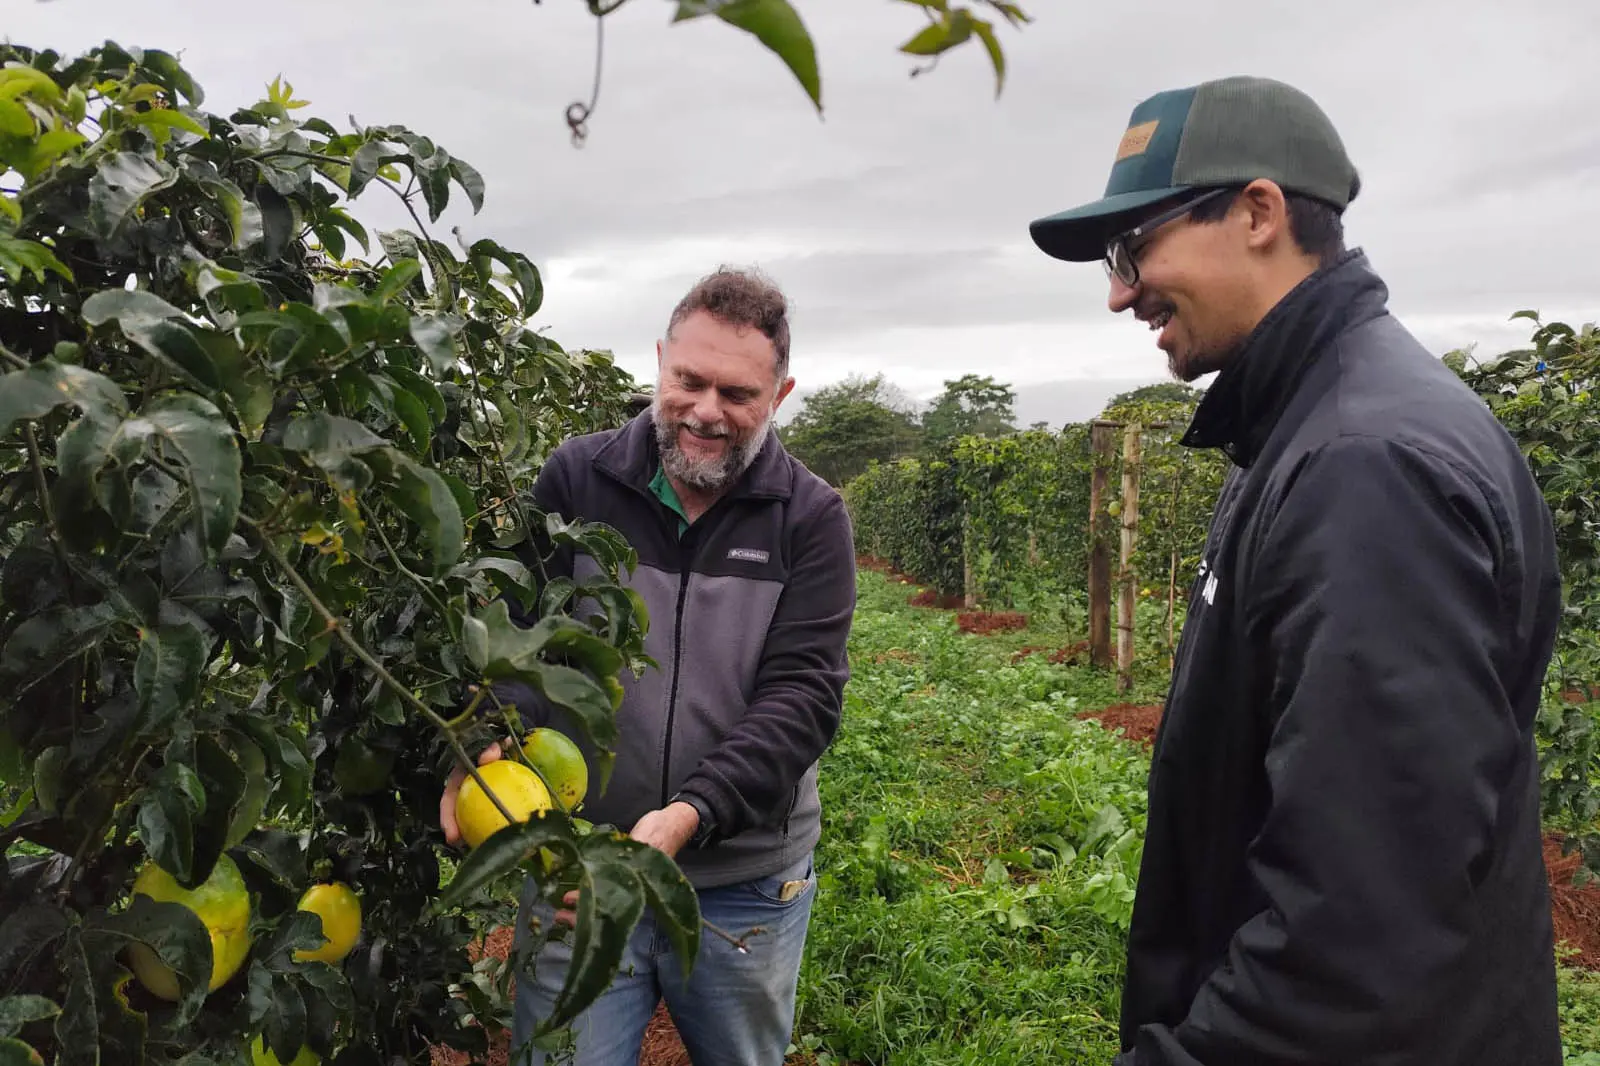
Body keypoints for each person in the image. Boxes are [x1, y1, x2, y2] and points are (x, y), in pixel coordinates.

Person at [1028, 75, 1564, 1064]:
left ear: (1258, 213)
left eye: (1132, 247)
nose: (1119, 291)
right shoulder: (1311, 425)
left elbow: (1357, 935)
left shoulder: (1366, 468)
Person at [440, 266, 857, 1065]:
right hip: (581, 869)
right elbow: (519, 638)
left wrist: (690, 813)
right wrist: (482, 737)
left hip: (743, 886)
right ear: (661, 361)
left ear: (780, 394)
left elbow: (802, 696)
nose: (706, 411)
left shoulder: (810, 518)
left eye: (737, 393)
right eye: (688, 381)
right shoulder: (577, 479)